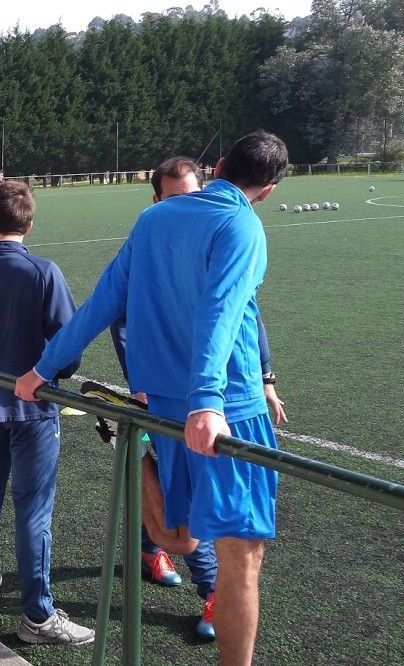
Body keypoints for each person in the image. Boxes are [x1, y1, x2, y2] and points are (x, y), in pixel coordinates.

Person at [15, 131, 288, 666]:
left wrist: (42, 367)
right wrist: (207, 400)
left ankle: (133, 446)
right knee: (242, 563)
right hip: (228, 411)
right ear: (270, 190)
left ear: (217, 165)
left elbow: (101, 302)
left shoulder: (153, 219)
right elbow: (221, 311)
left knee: (180, 541)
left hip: (164, 408)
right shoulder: (242, 225)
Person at [112, 156, 290, 641]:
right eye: (174, 199)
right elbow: (122, 316)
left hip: (211, 396)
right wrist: (142, 384)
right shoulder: (154, 236)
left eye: (192, 194)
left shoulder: (221, 230)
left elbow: (242, 314)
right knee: (182, 522)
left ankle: (208, 589)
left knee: (207, 519)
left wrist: (266, 380)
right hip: (169, 395)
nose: (187, 205)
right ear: (156, 201)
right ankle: (167, 551)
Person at [0, 180, 95, 645]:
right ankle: (38, 617)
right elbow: (68, 354)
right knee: (34, 509)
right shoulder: (43, 272)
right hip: (34, 409)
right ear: (30, 224)